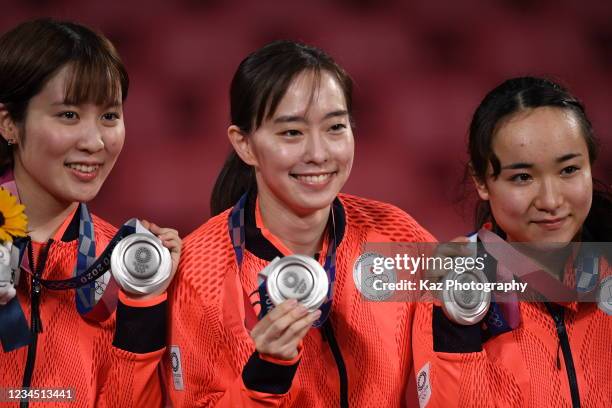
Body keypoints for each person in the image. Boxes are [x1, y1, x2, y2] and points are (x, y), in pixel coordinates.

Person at [166, 40, 435, 407]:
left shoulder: (395, 234)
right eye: (292, 132)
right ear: (244, 145)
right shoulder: (200, 269)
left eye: (335, 127)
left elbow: (529, 276)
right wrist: (266, 375)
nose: (319, 153)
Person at [0, 18, 181, 407]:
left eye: (109, 116)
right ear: (8, 123)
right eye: (68, 115)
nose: (95, 141)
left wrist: (143, 308)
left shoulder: (123, 264)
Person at [411, 77, 612, 407]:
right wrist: (457, 324)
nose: (550, 200)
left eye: (569, 170)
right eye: (522, 177)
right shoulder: (452, 291)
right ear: (482, 181)